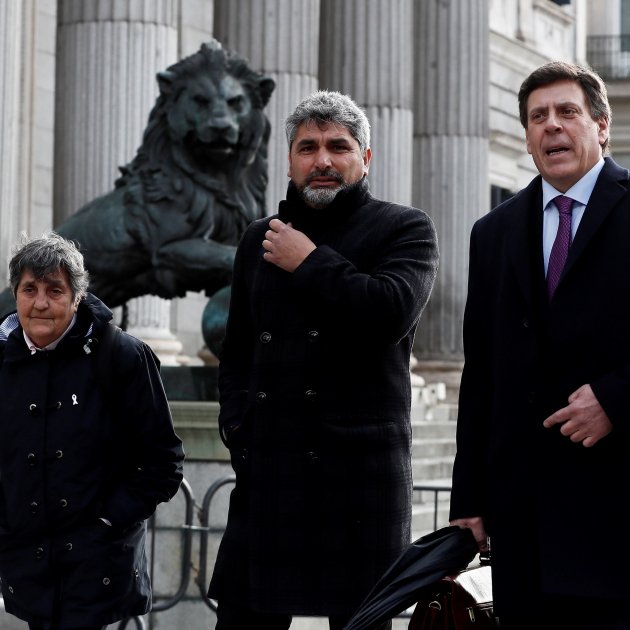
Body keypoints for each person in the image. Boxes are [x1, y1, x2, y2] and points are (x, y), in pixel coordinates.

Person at [208, 90, 439, 629]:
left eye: (339, 146)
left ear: (365, 158)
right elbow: (236, 352)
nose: (323, 160)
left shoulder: (405, 228)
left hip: (359, 482)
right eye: (308, 147)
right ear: (289, 161)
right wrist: (238, 429)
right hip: (271, 476)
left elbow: (389, 313)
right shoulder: (258, 239)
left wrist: (309, 261)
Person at [450, 60, 630, 630]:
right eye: (537, 116)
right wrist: (468, 498)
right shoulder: (492, 232)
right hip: (522, 517)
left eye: (567, 112)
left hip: (617, 510)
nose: (552, 125)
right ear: (528, 137)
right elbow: (480, 372)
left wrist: (616, 399)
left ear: (600, 126)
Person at [0, 233, 185, 630]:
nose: (40, 303)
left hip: (96, 564)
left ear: (77, 297)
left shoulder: (123, 356)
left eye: (55, 290)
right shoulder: (3, 360)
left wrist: (107, 522)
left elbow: (163, 463)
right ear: (15, 294)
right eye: (30, 289)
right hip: (25, 561)